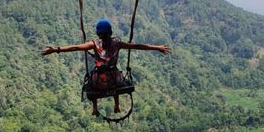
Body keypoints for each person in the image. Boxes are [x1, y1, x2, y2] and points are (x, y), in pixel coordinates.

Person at [42, 18, 171, 116]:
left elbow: (75, 47)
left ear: (98, 33)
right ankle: (116, 104)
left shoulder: (94, 44)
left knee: (90, 83)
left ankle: (95, 107)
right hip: (114, 81)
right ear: (110, 32)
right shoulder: (117, 43)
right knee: (117, 77)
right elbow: (137, 46)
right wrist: (157, 47)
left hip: (99, 82)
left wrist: (56, 50)